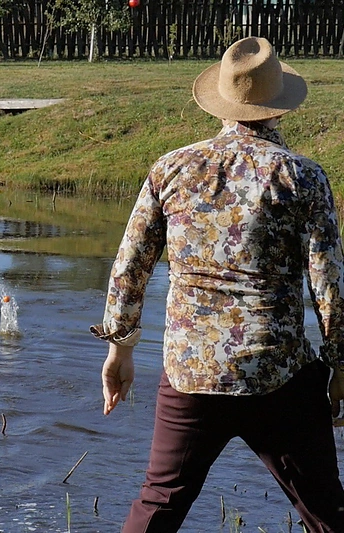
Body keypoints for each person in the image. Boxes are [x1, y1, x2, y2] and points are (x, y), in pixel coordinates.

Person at [91, 37, 344, 531]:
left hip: (190, 374)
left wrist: (119, 351)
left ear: (220, 104)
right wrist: (341, 366)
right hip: (278, 376)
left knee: (158, 503)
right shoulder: (303, 178)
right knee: (327, 513)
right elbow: (329, 287)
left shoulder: (172, 168)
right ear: (280, 108)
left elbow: (129, 267)